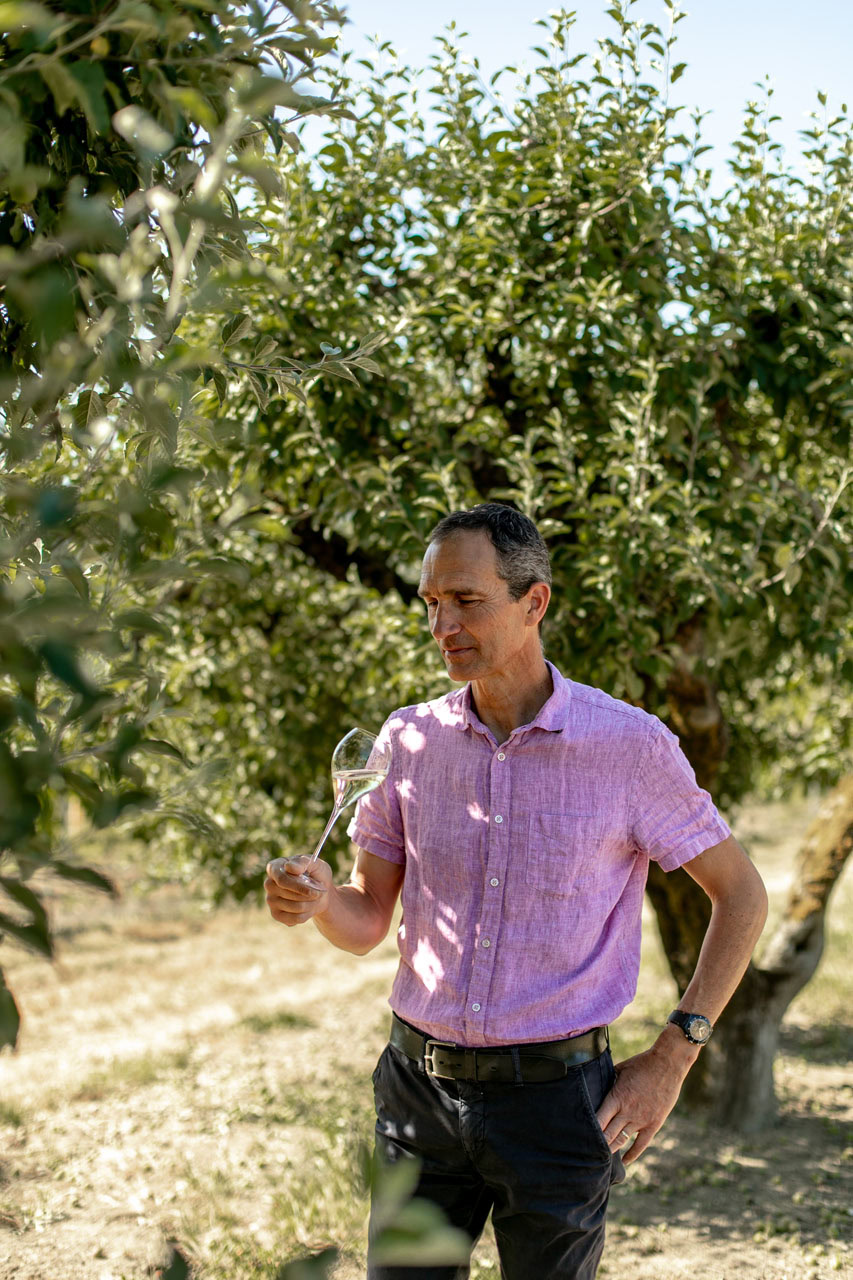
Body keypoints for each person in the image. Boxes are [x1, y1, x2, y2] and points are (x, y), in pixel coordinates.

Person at [265, 503, 768, 1280]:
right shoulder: (407, 741)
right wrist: (319, 899)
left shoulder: (628, 746)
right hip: (415, 1098)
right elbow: (366, 920)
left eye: (466, 600)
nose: (442, 624)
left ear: (533, 603)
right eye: (431, 603)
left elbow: (741, 895)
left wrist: (672, 1058)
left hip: (559, 1107)